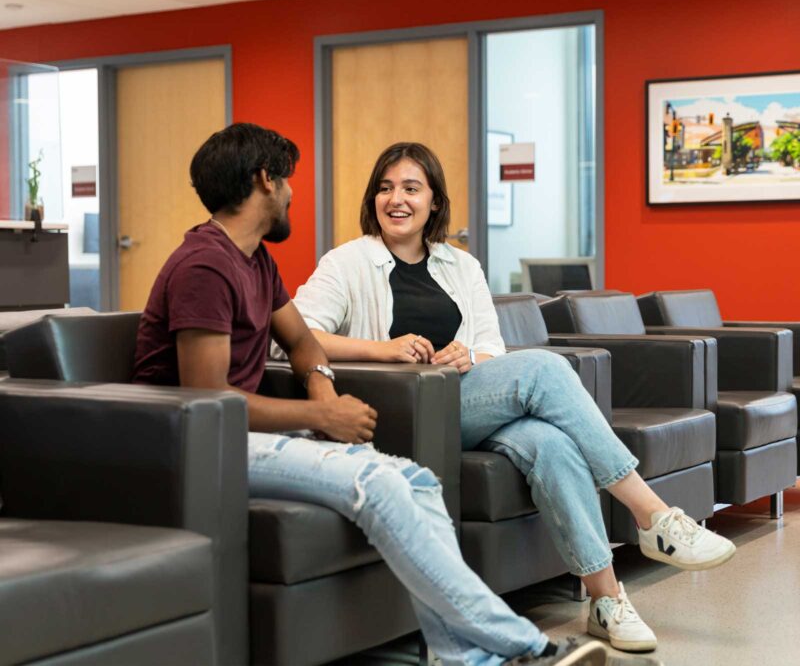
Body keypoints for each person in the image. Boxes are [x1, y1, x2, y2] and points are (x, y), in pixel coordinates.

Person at [132, 123, 661, 666]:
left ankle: (463, 657)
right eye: (286, 180)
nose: (293, 192)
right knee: (379, 480)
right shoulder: (205, 265)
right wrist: (321, 413)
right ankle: (529, 649)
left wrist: (321, 383)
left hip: (243, 432)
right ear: (265, 182)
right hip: (202, 445)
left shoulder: (253, 260)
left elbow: (302, 342)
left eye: (411, 188)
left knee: (419, 482)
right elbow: (207, 402)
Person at [287, 141, 737, 654]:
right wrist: (383, 351)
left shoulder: (461, 265)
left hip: (466, 401)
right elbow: (301, 333)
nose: (397, 199)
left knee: (549, 442)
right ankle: (652, 516)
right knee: (546, 368)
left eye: (412, 188)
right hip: (403, 412)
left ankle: (605, 599)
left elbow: (490, 351)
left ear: (434, 201)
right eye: (386, 189)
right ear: (373, 200)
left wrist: (466, 359)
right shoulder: (347, 261)